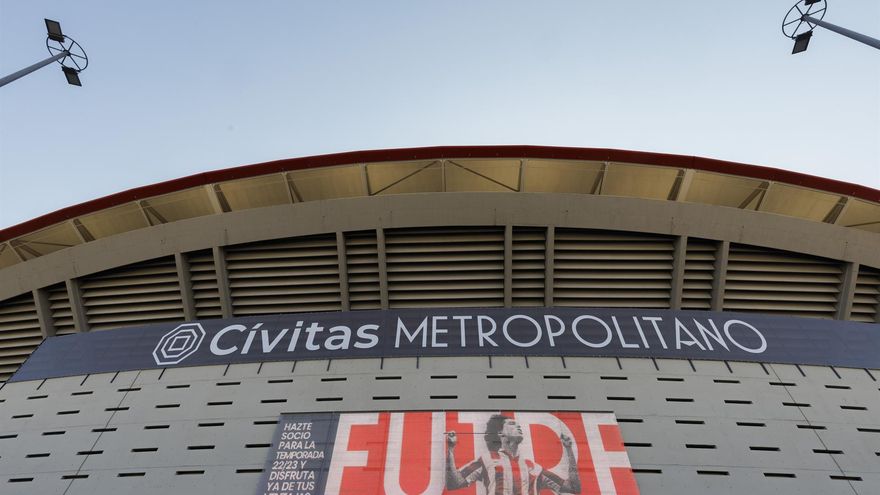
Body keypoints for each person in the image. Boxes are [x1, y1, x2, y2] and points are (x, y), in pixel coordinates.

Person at [445, 414, 581, 494]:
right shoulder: (487, 460)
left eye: (518, 424)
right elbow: (453, 483)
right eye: (512, 424)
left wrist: (569, 450)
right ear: (500, 434)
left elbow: (574, 488)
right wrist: (450, 449)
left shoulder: (534, 467)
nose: (519, 426)